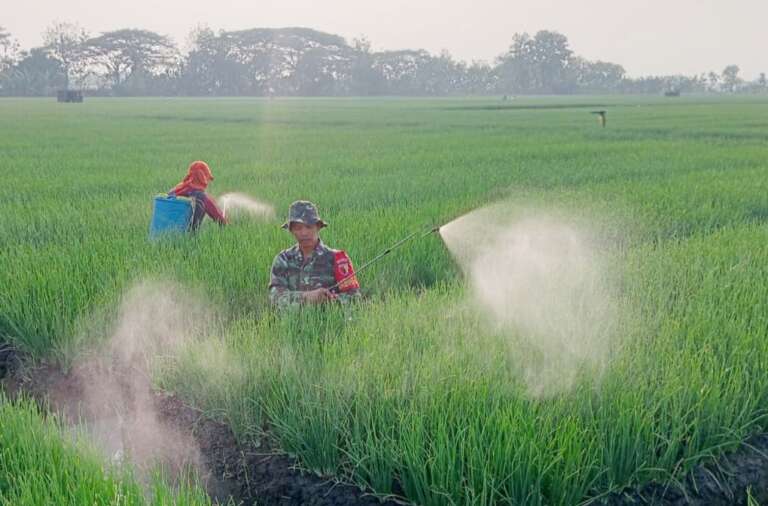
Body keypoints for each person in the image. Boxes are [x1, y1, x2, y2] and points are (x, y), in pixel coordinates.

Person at [269, 200, 360, 307]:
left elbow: (354, 299)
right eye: (298, 228)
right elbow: (275, 298)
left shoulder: (338, 259)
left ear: (318, 227)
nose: (304, 233)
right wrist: (307, 297)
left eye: (309, 227)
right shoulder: (283, 260)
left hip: (328, 322)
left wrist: (329, 300)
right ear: (291, 230)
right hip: (291, 322)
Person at [168, 160, 228, 230]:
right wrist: (224, 223)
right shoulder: (202, 197)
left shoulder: (179, 189)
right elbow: (215, 213)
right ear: (203, 179)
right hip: (189, 235)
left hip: (169, 230)